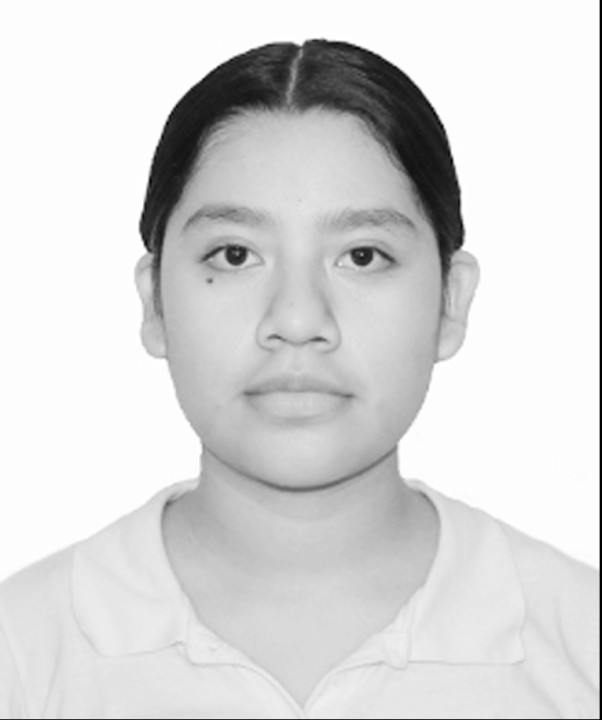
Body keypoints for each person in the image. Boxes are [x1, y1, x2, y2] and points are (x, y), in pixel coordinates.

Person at [0, 38, 598, 719]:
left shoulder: (582, 648)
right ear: (154, 301)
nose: (297, 319)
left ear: (450, 302)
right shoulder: (22, 656)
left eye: (363, 256)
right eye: (235, 254)